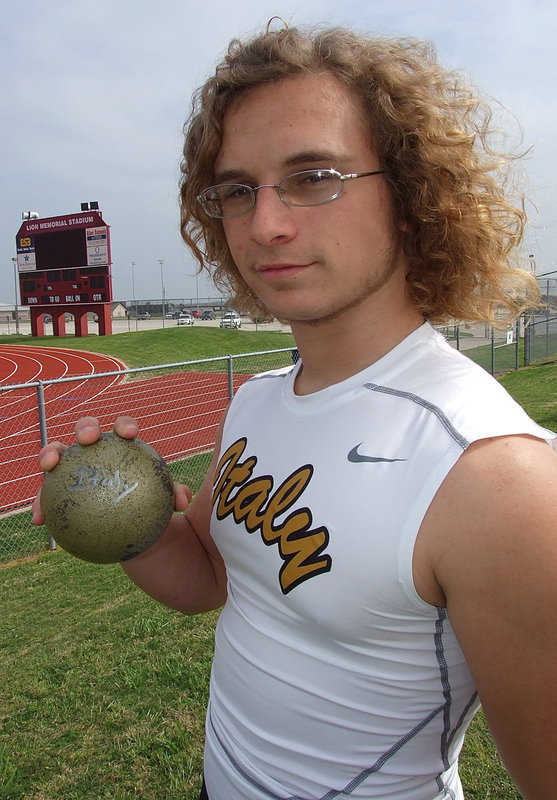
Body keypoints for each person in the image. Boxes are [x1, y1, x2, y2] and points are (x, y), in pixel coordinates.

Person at [34, 23, 557, 800]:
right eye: (238, 190)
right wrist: (124, 519)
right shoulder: (255, 403)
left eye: (314, 176)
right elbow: (211, 578)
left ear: (412, 196)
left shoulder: (493, 478)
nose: (265, 223)